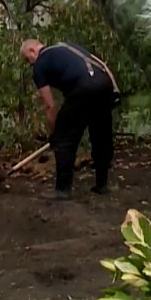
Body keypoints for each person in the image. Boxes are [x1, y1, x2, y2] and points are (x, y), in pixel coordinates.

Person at [20, 39, 119, 201]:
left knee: (65, 140)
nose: (29, 63)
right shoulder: (66, 47)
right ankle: (102, 184)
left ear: (32, 50)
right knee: (101, 134)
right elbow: (100, 63)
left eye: (27, 59)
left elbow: (50, 106)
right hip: (104, 83)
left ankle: (62, 189)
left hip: (84, 88)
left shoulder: (39, 65)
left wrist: (55, 135)